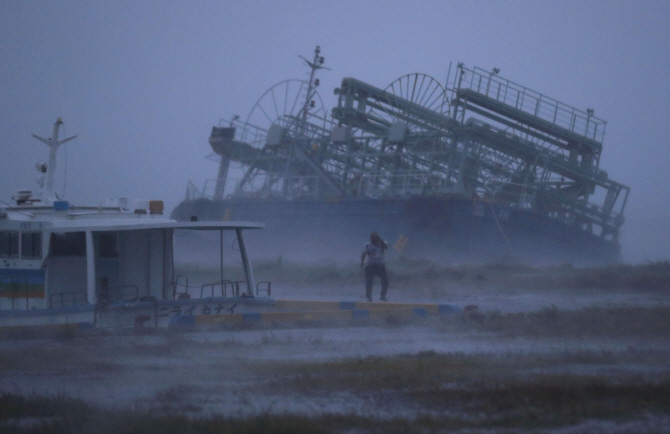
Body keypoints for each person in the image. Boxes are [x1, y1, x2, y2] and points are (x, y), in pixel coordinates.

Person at [360, 231, 389, 302]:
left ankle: (383, 296)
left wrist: (380, 240)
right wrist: (362, 262)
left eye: (375, 238)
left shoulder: (382, 243)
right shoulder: (367, 245)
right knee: (369, 282)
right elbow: (363, 253)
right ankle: (369, 297)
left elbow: (386, 247)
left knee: (385, 281)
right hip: (370, 266)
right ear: (370, 239)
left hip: (380, 265)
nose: (374, 240)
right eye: (372, 238)